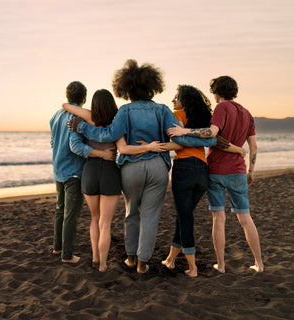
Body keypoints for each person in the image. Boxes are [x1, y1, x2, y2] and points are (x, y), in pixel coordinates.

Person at [68, 59, 222, 274]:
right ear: (152, 87)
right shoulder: (162, 110)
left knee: (132, 213)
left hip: (131, 168)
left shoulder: (125, 110)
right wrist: (203, 140)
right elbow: (180, 137)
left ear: (127, 88)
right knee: (150, 216)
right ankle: (142, 263)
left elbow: (110, 135)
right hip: (158, 167)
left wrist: (82, 127)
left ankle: (130, 259)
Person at [167, 76, 264, 273]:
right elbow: (253, 146)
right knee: (245, 218)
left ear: (216, 92)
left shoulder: (221, 108)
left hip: (217, 170)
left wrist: (184, 131)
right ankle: (259, 264)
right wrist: (251, 171)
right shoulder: (247, 113)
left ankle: (220, 265)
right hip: (238, 171)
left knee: (218, 218)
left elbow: (211, 134)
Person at [62, 89, 164, 272]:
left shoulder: (87, 118)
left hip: (90, 171)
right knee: (105, 223)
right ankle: (102, 264)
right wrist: (149, 147)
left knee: (94, 219)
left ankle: (94, 257)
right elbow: (124, 149)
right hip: (109, 172)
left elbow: (65, 105)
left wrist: (76, 109)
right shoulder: (116, 122)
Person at [50, 81, 115, 264]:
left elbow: (53, 142)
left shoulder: (56, 115)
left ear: (67, 96)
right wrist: (102, 153)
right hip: (74, 171)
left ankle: (57, 247)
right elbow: (75, 146)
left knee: (60, 210)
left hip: (58, 168)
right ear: (85, 98)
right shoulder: (77, 117)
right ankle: (67, 255)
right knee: (71, 213)